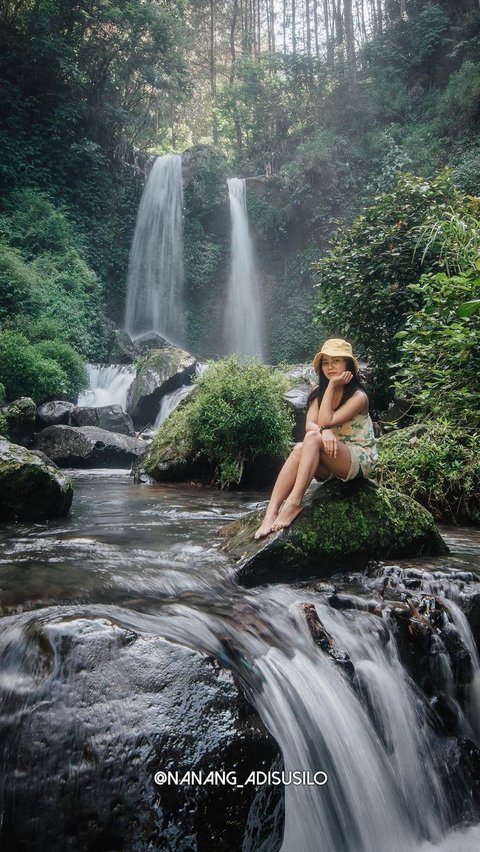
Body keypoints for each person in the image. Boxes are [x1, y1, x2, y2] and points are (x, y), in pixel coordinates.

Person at [254, 338, 378, 539]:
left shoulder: (358, 397)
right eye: (326, 363)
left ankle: (293, 503)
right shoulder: (317, 394)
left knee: (312, 438)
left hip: (357, 458)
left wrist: (331, 388)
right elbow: (311, 425)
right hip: (330, 456)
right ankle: (272, 511)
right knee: (299, 448)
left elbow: (325, 421)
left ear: (348, 365)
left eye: (336, 361)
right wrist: (324, 431)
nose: (330, 367)